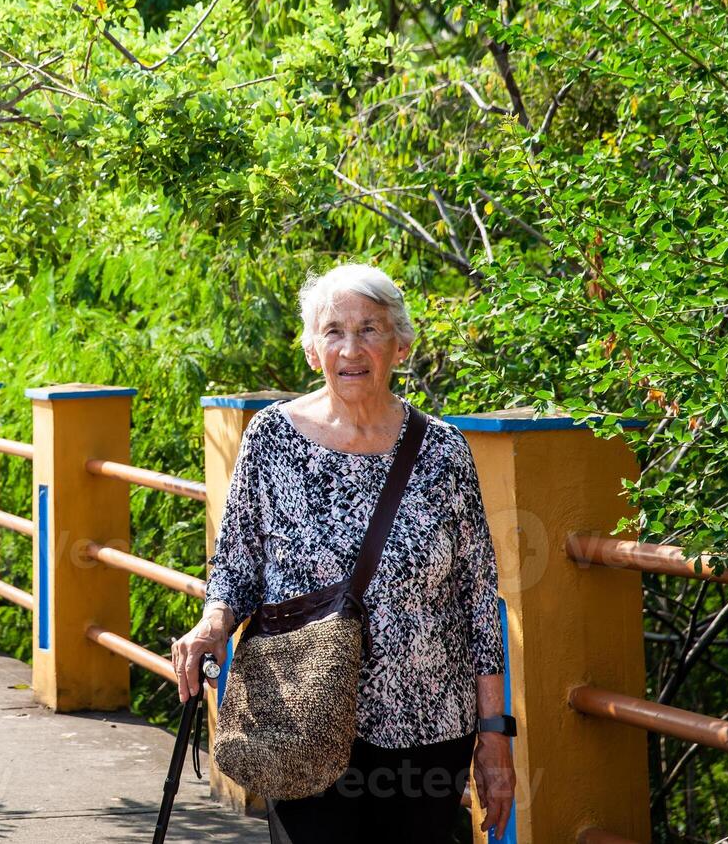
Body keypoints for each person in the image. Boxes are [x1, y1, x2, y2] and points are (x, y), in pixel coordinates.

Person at [172, 263, 515, 843]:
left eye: (370, 330)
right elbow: (236, 565)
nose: (351, 349)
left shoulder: (443, 452)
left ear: (400, 346)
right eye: (334, 331)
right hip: (301, 711)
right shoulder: (270, 440)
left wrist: (495, 734)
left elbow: (479, 601)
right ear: (312, 351)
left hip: (431, 725)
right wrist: (212, 623)